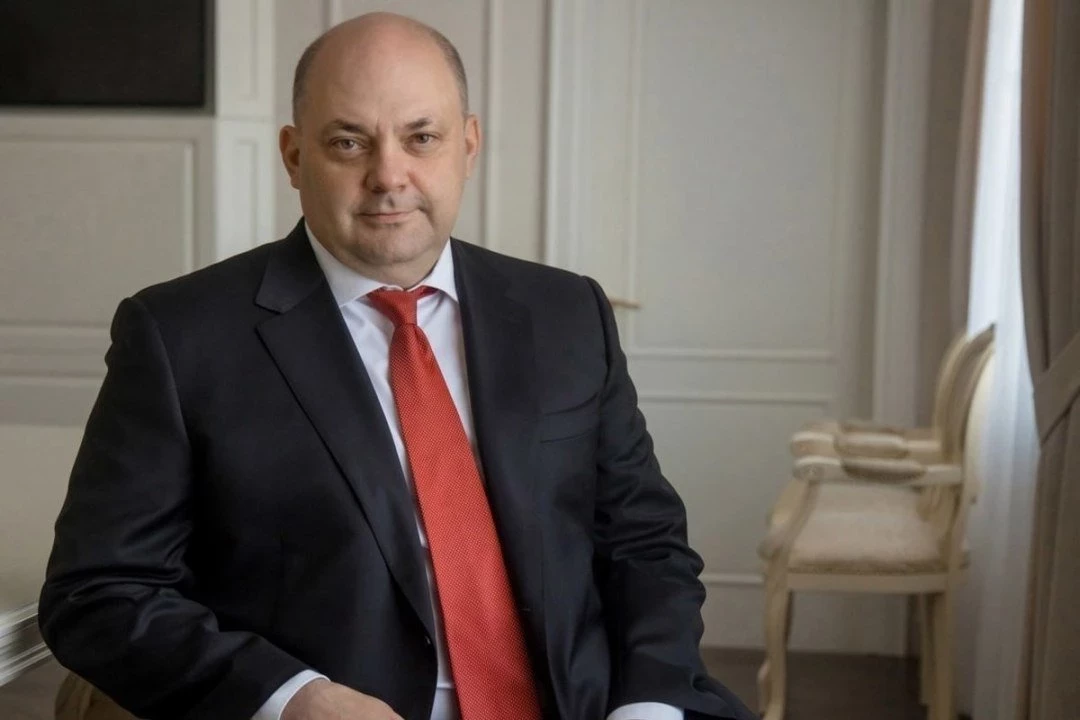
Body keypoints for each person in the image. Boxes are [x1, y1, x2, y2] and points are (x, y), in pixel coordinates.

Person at [39, 12, 755, 720]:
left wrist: (647, 707)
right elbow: (99, 592)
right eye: (348, 142)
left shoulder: (566, 311)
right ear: (294, 155)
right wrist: (294, 700)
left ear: (467, 146)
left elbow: (644, 544)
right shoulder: (180, 335)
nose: (388, 176)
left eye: (422, 138)